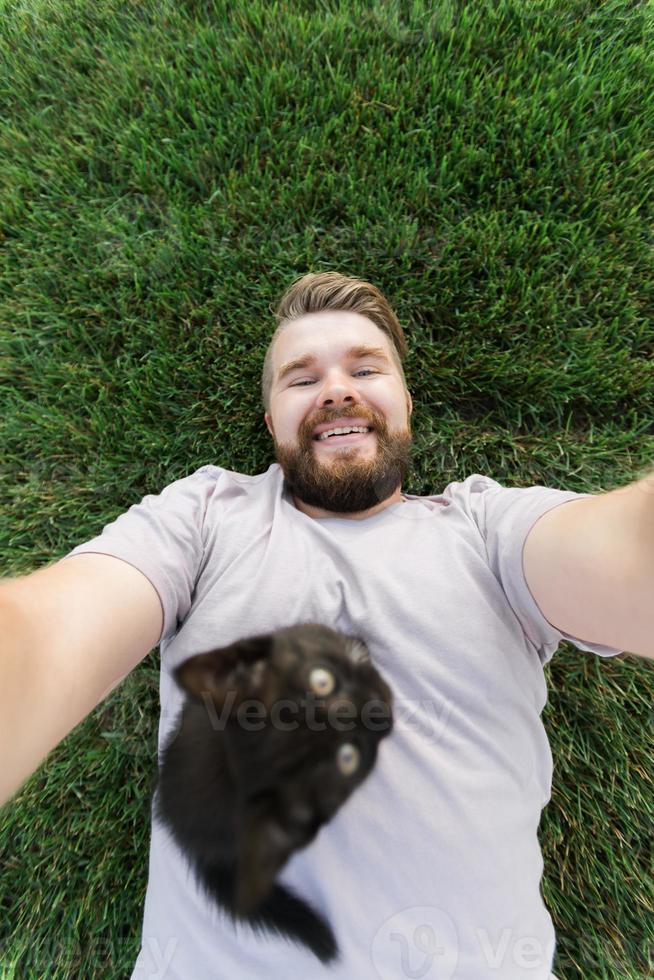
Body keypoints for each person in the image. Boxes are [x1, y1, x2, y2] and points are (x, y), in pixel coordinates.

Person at [2, 271, 634, 978]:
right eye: (301, 379)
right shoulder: (207, 517)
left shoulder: (488, 531)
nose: (337, 389)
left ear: (405, 404)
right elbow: (50, 632)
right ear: (271, 421)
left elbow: (621, 556)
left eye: (366, 368)